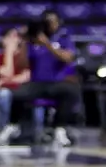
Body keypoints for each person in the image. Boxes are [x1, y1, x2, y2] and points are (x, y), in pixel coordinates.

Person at [16, 11, 83, 147]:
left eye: (53, 21)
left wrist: (47, 44)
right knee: (15, 94)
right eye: (47, 21)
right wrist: (23, 42)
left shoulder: (63, 38)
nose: (51, 24)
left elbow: (67, 57)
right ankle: (15, 129)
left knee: (71, 91)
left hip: (56, 82)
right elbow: (22, 64)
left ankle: (59, 128)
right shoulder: (33, 40)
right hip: (37, 83)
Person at [0, 28, 31, 140]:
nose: (14, 39)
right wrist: (8, 52)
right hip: (4, 91)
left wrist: (3, 81)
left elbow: (26, 77)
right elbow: (7, 72)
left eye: (16, 36)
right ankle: (3, 130)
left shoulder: (25, 56)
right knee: (4, 94)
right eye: (10, 36)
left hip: (23, 89)